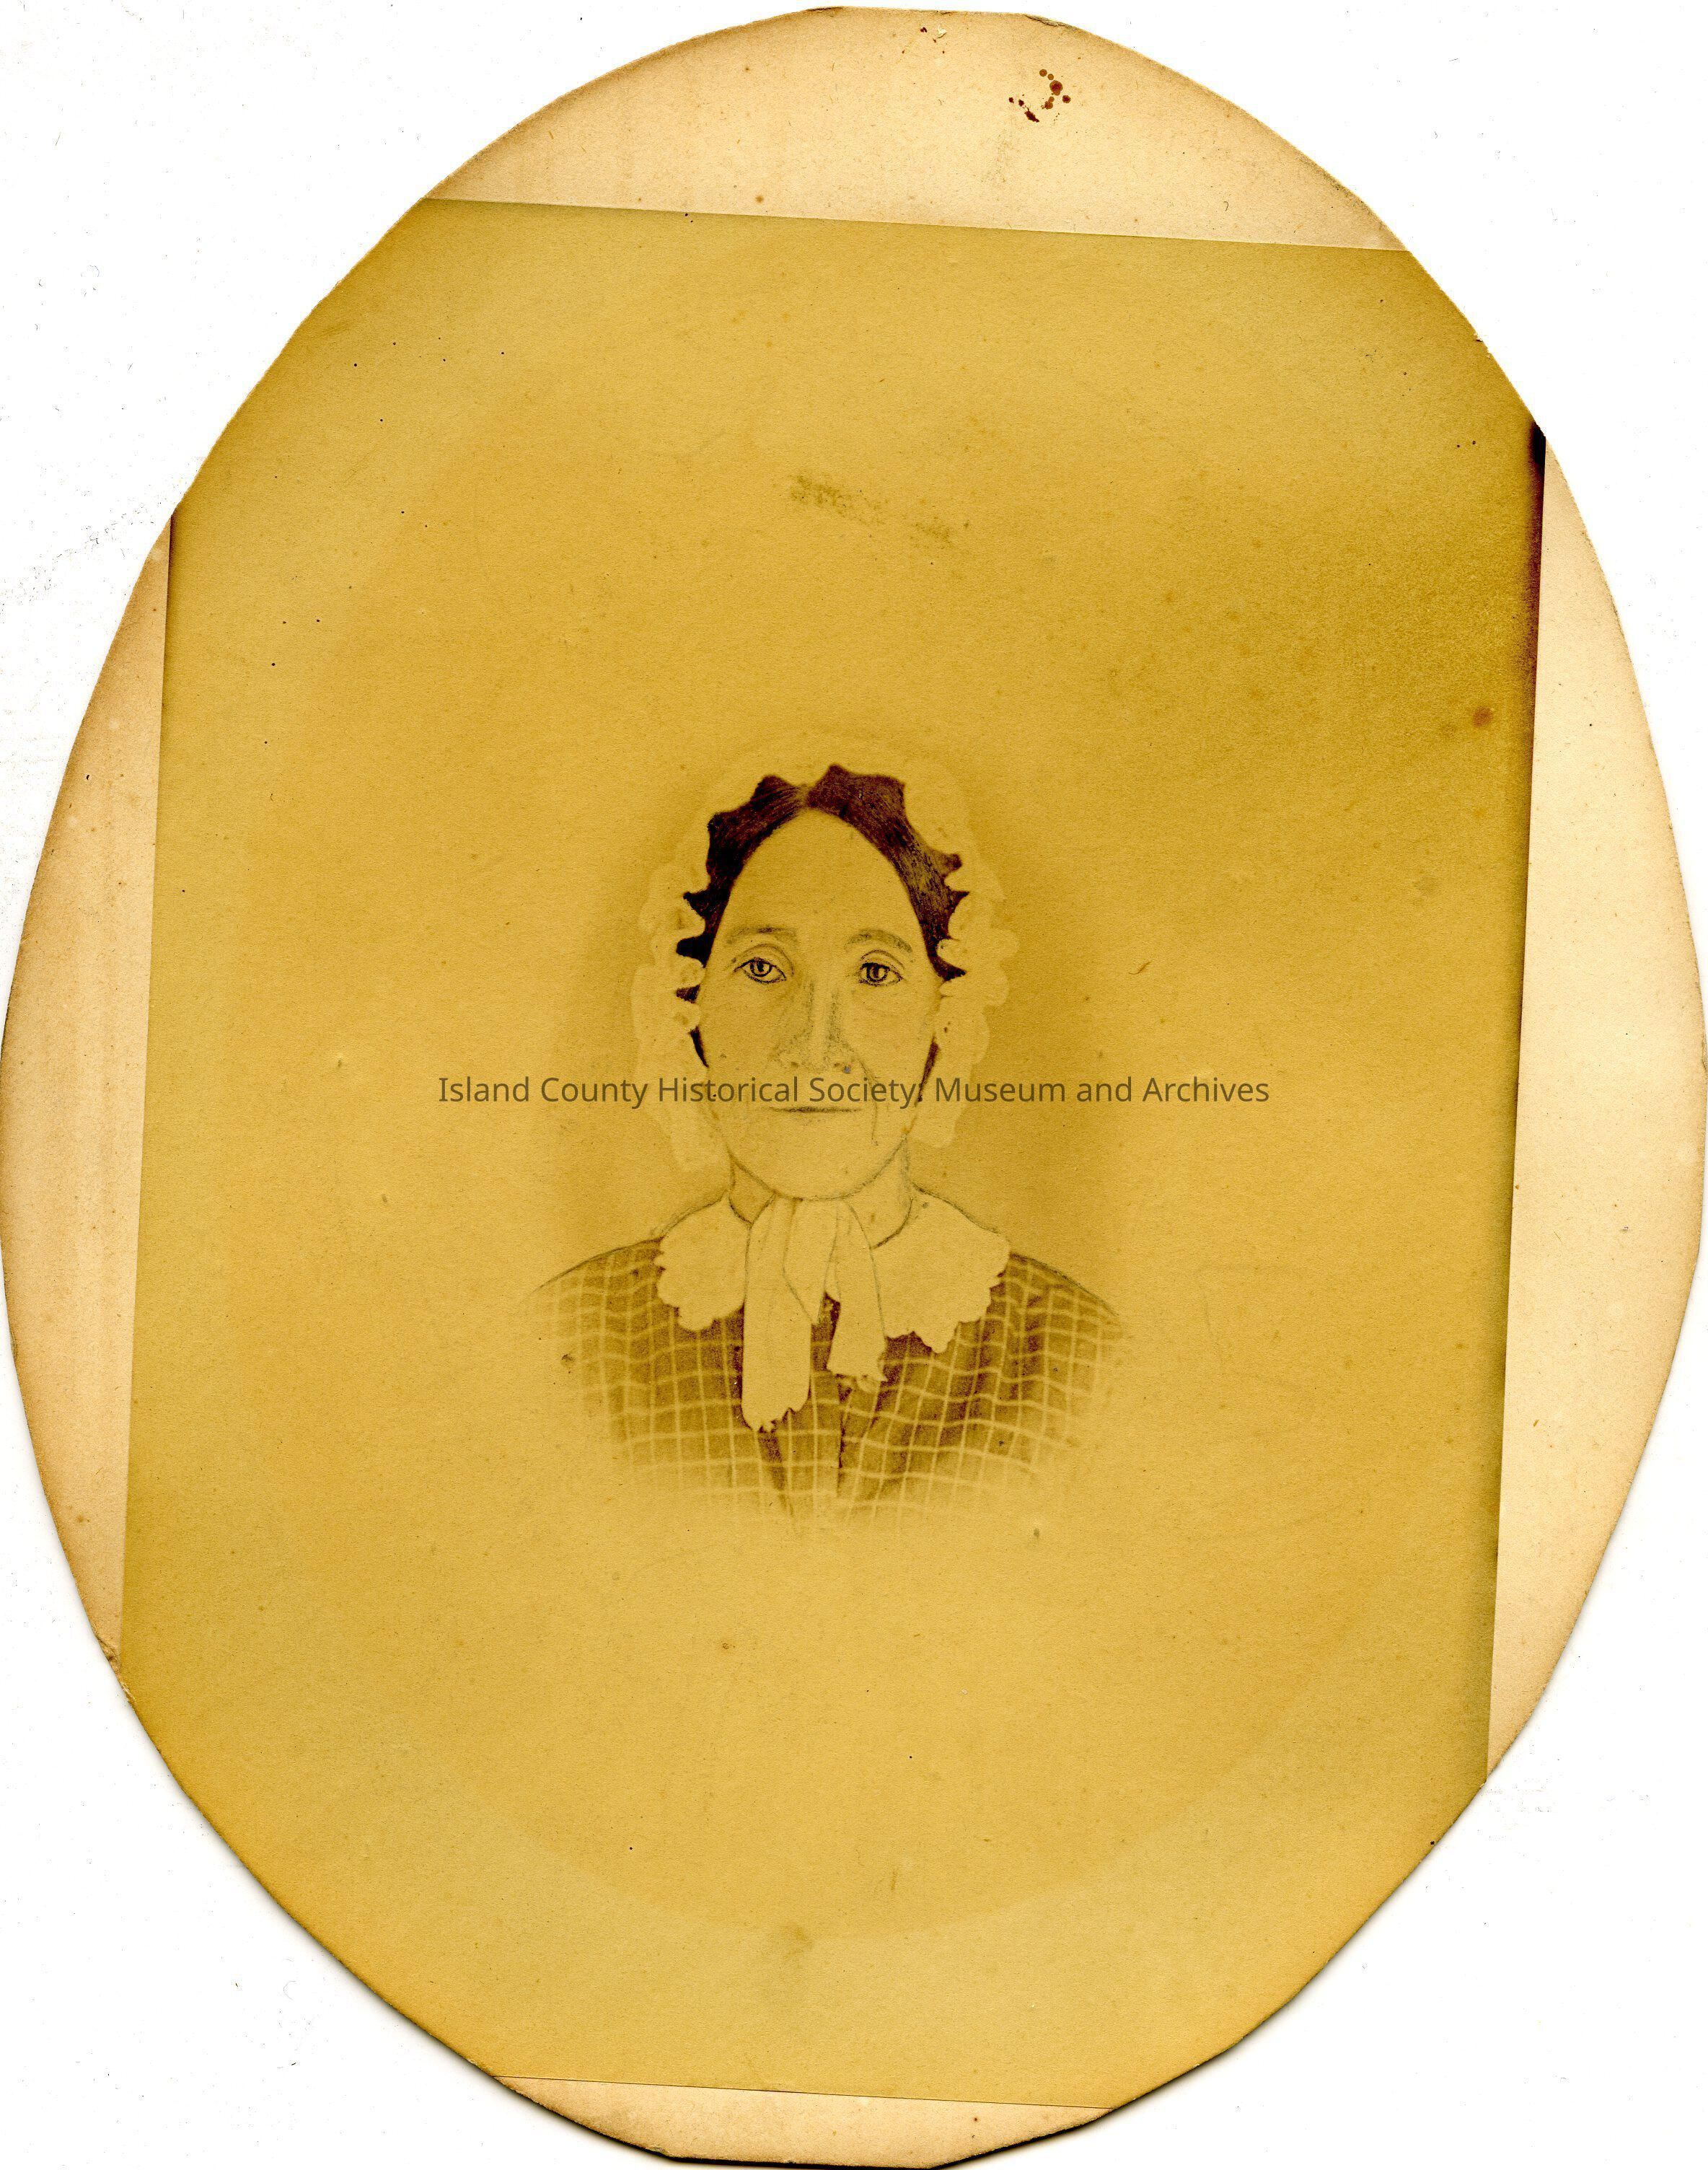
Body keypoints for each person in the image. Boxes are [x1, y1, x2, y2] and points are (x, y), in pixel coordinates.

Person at [537, 755, 1120, 1514]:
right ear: (689, 1006)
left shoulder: (1080, 1361)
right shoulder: (563, 1343)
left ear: (944, 1019)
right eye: (762, 968)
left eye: (874, 973)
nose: (815, 1046)